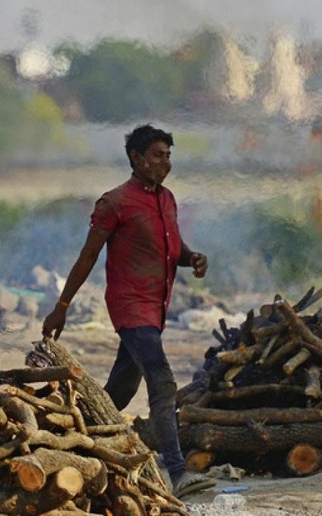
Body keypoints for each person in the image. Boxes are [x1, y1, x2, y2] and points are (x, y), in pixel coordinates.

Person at [41, 124, 216, 498]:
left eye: (168, 156)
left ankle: (63, 442)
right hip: (129, 305)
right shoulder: (115, 202)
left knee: (116, 395)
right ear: (135, 158)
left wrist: (193, 258)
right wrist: (62, 306)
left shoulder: (167, 199)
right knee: (162, 379)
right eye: (156, 155)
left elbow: (174, 248)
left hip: (156, 309)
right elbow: (88, 256)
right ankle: (179, 472)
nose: (164, 163)